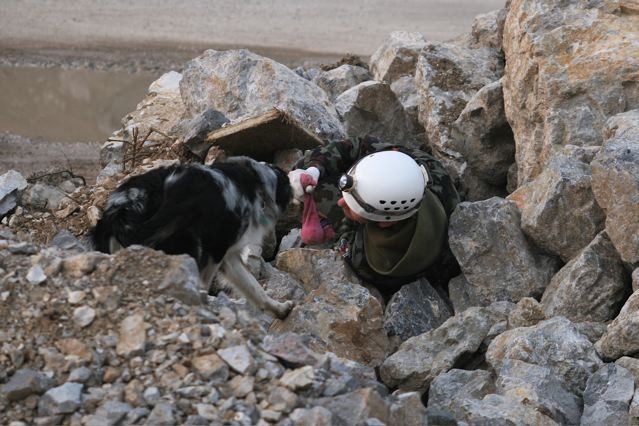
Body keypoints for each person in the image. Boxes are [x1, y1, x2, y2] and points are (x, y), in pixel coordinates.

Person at [288, 135, 461, 298]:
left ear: (383, 224)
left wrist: (345, 221)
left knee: (306, 180)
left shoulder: (367, 262)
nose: (342, 202)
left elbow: (344, 239)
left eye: (352, 204)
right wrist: (314, 170)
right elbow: (362, 144)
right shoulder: (433, 174)